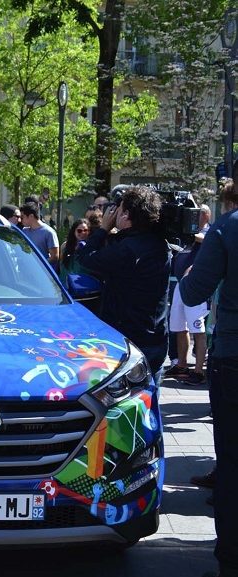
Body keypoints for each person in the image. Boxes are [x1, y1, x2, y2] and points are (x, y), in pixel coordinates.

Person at [178, 179, 238, 577]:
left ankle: (231, 559)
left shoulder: (225, 228)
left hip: (233, 355)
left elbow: (193, 290)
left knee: (232, 463)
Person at [77, 186, 171, 377]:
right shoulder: (160, 243)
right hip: (156, 335)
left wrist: (103, 229)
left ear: (126, 214)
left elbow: (85, 258)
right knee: (150, 397)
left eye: (117, 209)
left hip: (128, 339)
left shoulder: (126, 248)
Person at [165, 204, 213, 386]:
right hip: (180, 284)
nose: (192, 219)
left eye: (197, 216)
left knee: (197, 329)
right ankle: (182, 365)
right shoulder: (186, 235)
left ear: (206, 217)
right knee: (179, 326)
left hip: (196, 286)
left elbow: (204, 240)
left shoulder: (209, 232)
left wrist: (189, 232)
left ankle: (199, 371)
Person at [20, 202, 60, 266]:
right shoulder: (24, 231)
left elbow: (55, 257)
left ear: (31, 216)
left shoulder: (49, 232)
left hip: (41, 272)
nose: (20, 220)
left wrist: (38, 265)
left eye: (22, 217)